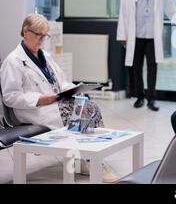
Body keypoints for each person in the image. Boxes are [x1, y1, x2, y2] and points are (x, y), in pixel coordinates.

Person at [0, 14, 116, 182]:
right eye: (37, 34)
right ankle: (93, 162)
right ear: (25, 32)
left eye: (44, 35)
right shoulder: (14, 61)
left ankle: (87, 158)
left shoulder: (45, 56)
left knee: (90, 106)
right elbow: (10, 97)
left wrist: (74, 90)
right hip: (33, 110)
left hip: (55, 103)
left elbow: (62, 81)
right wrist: (40, 99)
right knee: (77, 113)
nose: (41, 39)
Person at [117, 0, 176, 111]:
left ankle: (151, 99)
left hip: (152, 36)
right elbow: (123, 12)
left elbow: (170, 6)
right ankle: (140, 97)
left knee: (152, 68)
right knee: (136, 68)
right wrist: (122, 34)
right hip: (135, 35)